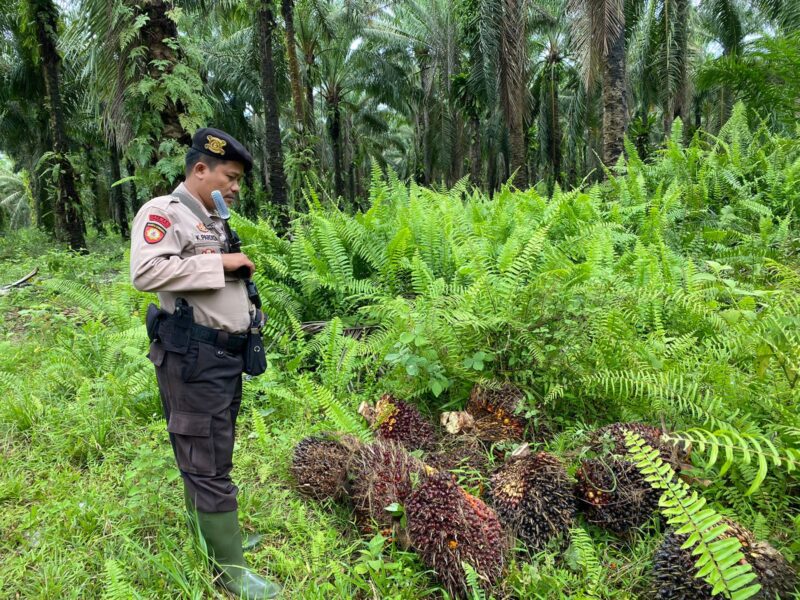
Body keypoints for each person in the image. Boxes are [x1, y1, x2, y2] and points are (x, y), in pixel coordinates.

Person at [130, 128, 281, 599]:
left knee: (213, 448)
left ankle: (219, 539)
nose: (235, 187)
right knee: (205, 458)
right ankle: (229, 572)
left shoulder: (214, 218)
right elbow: (146, 270)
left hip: (221, 358)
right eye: (230, 177)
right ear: (200, 170)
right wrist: (223, 265)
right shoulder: (163, 213)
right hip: (193, 358)